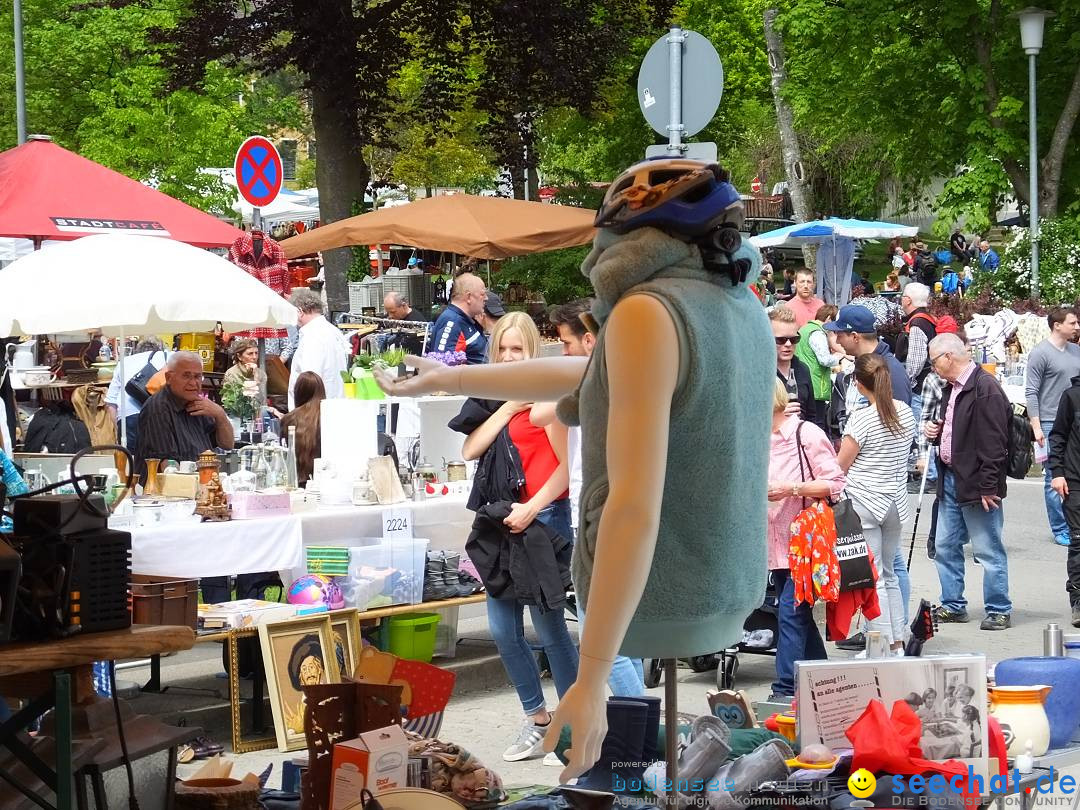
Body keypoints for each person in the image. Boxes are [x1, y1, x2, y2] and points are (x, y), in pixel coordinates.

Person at [373, 157, 773, 780]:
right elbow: (595, 373)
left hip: (660, 594)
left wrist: (589, 676)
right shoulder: (736, 305)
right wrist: (448, 377)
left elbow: (634, 506)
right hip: (724, 583)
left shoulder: (648, 311)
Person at [451, 312, 578, 763]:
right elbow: (469, 449)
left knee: (549, 628)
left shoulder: (548, 398)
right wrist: (506, 407)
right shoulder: (496, 400)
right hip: (501, 521)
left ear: (531, 350)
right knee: (504, 629)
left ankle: (569, 723)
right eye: (501, 349)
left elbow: (567, 468)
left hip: (542, 518)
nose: (507, 356)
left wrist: (533, 508)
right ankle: (537, 719)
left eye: (516, 349)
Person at [547, 299, 646, 699]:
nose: (563, 352)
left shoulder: (598, 382)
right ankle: (646, 731)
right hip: (617, 514)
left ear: (589, 340)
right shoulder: (623, 374)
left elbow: (541, 413)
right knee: (625, 637)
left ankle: (649, 730)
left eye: (566, 343)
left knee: (598, 641)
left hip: (599, 517)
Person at [924, 333, 1012, 630]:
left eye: (934, 361)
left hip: (976, 483)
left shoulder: (985, 388)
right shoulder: (954, 387)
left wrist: (988, 485)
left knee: (988, 547)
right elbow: (957, 428)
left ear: (948, 357)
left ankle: (999, 608)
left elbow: (994, 442)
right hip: (952, 477)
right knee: (945, 544)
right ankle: (953, 604)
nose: (933, 367)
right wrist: (937, 433)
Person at [767, 379, 845, 699]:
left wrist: (791, 488)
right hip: (775, 546)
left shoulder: (806, 434)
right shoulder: (759, 438)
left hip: (804, 545)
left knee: (790, 613)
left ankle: (785, 689)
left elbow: (835, 484)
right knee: (796, 616)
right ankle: (825, 681)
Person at [837, 354, 917, 653]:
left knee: (874, 578)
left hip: (865, 500)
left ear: (859, 385)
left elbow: (841, 465)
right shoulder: (905, 412)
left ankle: (881, 643)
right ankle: (897, 640)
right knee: (890, 574)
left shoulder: (863, 418)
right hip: (895, 499)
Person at [1026, 307, 1080, 547]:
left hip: (1074, 420)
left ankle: (1073, 523)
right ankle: (1060, 528)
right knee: (1053, 476)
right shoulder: (1040, 354)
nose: (1077, 327)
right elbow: (1031, 391)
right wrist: (1036, 425)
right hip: (1049, 421)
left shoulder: (1076, 351)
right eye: (1073, 323)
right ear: (1057, 325)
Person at [136, 351, 234, 477]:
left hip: (199, 485)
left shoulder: (199, 404)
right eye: (186, 376)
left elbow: (227, 444)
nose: (193, 383)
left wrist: (220, 415)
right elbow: (167, 468)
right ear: (169, 378)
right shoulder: (158, 409)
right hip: (169, 491)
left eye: (197, 376)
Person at [825, 305, 912, 409]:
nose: (837, 341)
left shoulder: (890, 371)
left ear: (854, 336)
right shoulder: (861, 364)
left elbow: (899, 420)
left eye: (839, 335)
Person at [1047, 372, 1080, 628]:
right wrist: (1057, 473)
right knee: (1079, 541)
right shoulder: (1072, 396)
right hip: (1075, 479)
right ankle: (1078, 600)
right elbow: (1058, 435)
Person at [288, 289, 350, 409]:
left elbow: (309, 379)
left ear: (300, 311)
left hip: (315, 410)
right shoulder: (333, 331)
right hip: (333, 404)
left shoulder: (312, 336)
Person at [105, 336, 169, 451]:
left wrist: (119, 427)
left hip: (128, 417)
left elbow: (111, 403)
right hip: (159, 415)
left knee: (133, 462)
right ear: (160, 348)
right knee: (158, 459)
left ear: (137, 349)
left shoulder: (124, 362)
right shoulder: (166, 356)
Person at [771, 306, 827, 433]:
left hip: (799, 443)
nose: (788, 344)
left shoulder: (802, 369)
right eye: (781, 340)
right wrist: (777, 416)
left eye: (794, 339)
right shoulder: (759, 372)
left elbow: (812, 415)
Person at [795, 304, 843, 434]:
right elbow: (824, 359)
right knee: (817, 426)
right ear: (828, 319)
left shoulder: (805, 329)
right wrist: (840, 358)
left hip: (804, 382)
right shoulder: (817, 333)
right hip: (817, 385)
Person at [897, 283, 936, 422]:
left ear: (908, 300)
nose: (901, 301)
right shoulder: (926, 319)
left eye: (902, 297)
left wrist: (907, 383)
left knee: (919, 433)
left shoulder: (917, 323)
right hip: (925, 384)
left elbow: (916, 362)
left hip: (918, 389)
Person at [431, 272, 489, 364]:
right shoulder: (452, 322)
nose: (486, 298)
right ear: (469, 297)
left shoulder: (464, 319)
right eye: (483, 294)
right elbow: (445, 366)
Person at [280, 371, 325, 485]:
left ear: (298, 392)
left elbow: (284, 455)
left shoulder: (289, 419)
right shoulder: (331, 416)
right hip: (326, 481)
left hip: (296, 482)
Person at [222, 338, 283, 419]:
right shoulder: (231, 373)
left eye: (256, 353)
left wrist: (256, 377)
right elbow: (228, 402)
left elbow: (261, 401)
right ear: (239, 357)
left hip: (258, 414)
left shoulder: (261, 373)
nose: (254, 357)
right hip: (237, 415)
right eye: (250, 354)